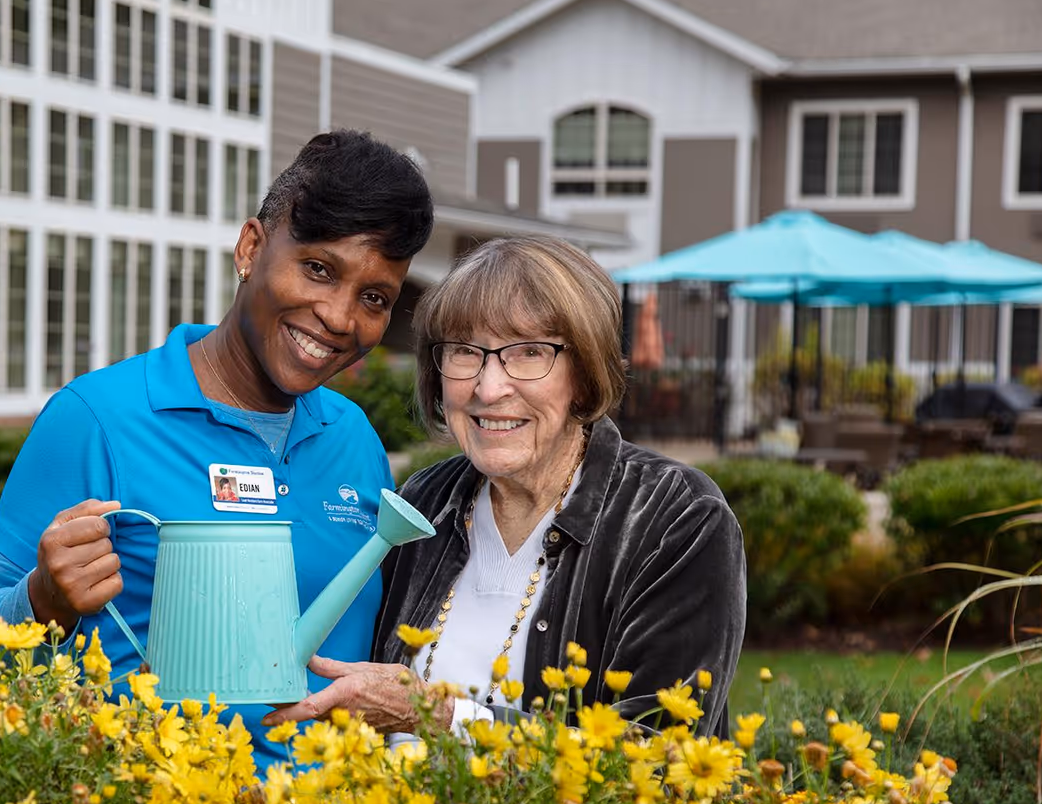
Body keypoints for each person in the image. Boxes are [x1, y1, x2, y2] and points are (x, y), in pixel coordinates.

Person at [0, 129, 435, 771]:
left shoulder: (355, 440)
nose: (339, 317)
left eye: (374, 298)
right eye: (318, 269)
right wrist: (41, 602)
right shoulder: (96, 418)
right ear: (251, 248)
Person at [264, 235, 745, 740]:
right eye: (466, 353)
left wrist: (439, 718)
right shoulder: (422, 503)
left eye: (529, 352)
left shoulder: (675, 517)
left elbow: (662, 761)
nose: (489, 389)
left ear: (583, 373)